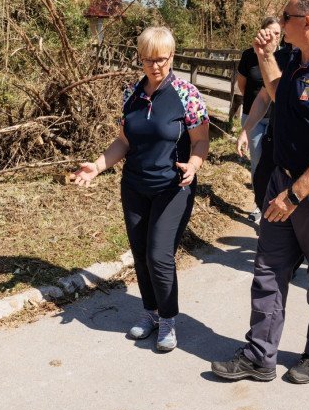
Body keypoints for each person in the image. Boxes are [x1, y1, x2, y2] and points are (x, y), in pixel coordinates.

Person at [211, 0, 309, 384]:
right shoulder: (293, 58)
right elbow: (280, 93)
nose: (279, 23)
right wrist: (264, 56)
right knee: (268, 270)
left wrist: (295, 195)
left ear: (307, 22)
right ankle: (259, 355)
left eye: (285, 16)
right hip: (283, 180)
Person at [70, 26, 210, 353]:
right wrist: (98, 165)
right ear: (141, 58)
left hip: (173, 187)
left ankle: (169, 320)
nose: (155, 66)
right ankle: (151, 313)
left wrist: (194, 164)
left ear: (171, 57)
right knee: (141, 256)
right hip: (134, 186)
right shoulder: (131, 94)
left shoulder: (187, 94)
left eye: (161, 59)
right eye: (148, 59)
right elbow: (124, 141)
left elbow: (201, 141)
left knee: (158, 254)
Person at [237, 17, 282, 221]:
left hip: (275, 118)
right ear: (262, 32)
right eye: (270, 32)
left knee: (273, 163)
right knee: (257, 162)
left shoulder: (284, 57)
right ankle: (259, 204)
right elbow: (242, 86)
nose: (273, 36)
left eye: (278, 33)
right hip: (253, 115)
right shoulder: (248, 55)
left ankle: (271, 204)